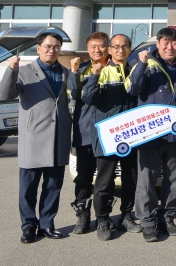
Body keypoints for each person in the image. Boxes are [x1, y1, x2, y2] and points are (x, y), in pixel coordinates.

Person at [0, 32, 72, 244]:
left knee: (53, 186)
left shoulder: (66, 72)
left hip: (58, 138)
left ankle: (47, 224)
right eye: (48, 46)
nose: (52, 50)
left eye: (56, 47)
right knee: (28, 188)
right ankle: (29, 226)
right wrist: (11, 69)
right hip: (33, 138)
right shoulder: (23, 71)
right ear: (38, 48)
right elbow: (5, 94)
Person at [133, 27, 176, 242]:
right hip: (150, 133)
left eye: (174, 42)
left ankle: (167, 218)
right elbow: (132, 89)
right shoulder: (144, 63)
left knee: (174, 180)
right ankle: (148, 222)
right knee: (146, 180)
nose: (170, 47)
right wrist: (141, 64)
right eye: (166, 42)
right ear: (158, 44)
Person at [81, 34, 145, 240]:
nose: (120, 50)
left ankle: (126, 216)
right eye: (116, 46)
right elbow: (89, 98)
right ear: (110, 50)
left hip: (131, 136)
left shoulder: (135, 70)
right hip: (107, 136)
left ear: (130, 49)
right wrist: (94, 76)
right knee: (104, 181)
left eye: (124, 46)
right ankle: (102, 220)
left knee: (131, 178)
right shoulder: (101, 70)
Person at [67, 31, 110, 235]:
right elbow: (73, 94)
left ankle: (104, 217)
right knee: (83, 178)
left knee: (105, 178)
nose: (97, 50)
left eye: (101, 46)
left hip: (107, 132)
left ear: (108, 47)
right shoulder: (81, 69)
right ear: (88, 49)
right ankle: (82, 215)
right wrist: (74, 72)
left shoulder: (115, 68)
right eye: (93, 47)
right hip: (84, 131)